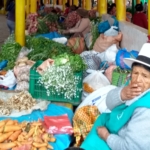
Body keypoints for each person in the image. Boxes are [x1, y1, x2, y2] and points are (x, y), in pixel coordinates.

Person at [81, 43, 150, 150]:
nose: (138, 80)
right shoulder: (131, 84)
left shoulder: (146, 110)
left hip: (119, 142)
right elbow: (109, 103)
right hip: (114, 127)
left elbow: (130, 147)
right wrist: (122, 94)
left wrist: (106, 136)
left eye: (145, 76)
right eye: (135, 73)